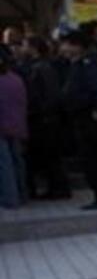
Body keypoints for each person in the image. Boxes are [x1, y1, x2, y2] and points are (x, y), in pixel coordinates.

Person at [60, 31, 97, 210]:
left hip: (88, 118)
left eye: (67, 44)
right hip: (79, 117)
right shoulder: (75, 64)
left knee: (93, 159)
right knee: (88, 159)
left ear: (77, 46)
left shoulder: (90, 63)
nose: (64, 48)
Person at [21, 36, 70, 199]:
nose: (22, 48)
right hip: (39, 118)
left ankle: (59, 189)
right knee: (45, 156)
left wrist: (44, 112)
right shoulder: (34, 66)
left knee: (51, 156)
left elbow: (51, 94)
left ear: (33, 47)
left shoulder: (43, 67)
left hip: (46, 119)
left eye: (25, 45)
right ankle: (53, 187)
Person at [0, 50, 27, 208]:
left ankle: (10, 198)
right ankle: (22, 194)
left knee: (4, 164)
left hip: (2, 126)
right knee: (17, 161)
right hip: (17, 125)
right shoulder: (17, 80)